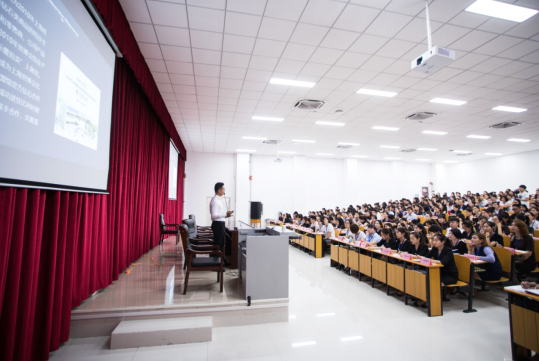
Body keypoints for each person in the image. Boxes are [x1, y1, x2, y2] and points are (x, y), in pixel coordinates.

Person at [415, 234, 458, 308]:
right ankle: (425, 299)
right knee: (425, 279)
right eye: (433, 240)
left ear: (443, 242)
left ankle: (430, 301)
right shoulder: (435, 249)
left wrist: (429, 260)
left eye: (436, 240)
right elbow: (427, 257)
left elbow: (442, 262)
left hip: (450, 275)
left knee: (434, 283)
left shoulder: (448, 251)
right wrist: (421, 257)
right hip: (439, 273)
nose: (434, 242)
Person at [210, 182, 234, 266]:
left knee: (221, 244)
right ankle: (215, 264)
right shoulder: (215, 201)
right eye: (223, 189)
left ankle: (221, 261)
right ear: (219, 190)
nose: (224, 191)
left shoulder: (218, 199)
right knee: (217, 245)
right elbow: (214, 215)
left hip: (220, 224)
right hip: (217, 225)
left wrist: (226, 215)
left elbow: (219, 214)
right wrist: (225, 214)